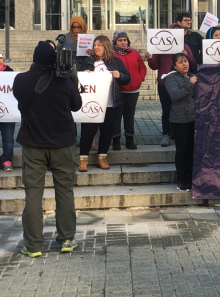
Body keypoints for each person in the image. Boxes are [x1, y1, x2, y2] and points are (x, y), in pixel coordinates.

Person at [13, 41, 82, 256]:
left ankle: (33, 245)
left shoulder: (21, 80)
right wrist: (72, 76)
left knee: (33, 193)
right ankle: (67, 239)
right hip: (63, 145)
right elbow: (76, 105)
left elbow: (19, 98)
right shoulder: (64, 82)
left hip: (33, 145)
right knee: (64, 192)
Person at [78, 35, 130, 172]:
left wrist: (120, 76)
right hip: (91, 104)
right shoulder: (88, 61)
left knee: (107, 131)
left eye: (99, 45)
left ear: (106, 46)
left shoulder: (116, 62)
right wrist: (83, 74)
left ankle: (102, 156)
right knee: (88, 131)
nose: (96, 47)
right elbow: (77, 79)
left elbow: (127, 78)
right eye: (95, 45)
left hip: (110, 103)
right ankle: (83, 159)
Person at [146, 23, 197, 147]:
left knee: (182, 108)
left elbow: (193, 64)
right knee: (166, 109)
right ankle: (166, 134)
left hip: (182, 84)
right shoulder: (160, 47)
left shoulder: (185, 47)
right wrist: (149, 58)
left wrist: (186, 55)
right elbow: (154, 66)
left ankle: (177, 132)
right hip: (165, 84)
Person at [162, 52, 196, 192]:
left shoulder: (193, 76)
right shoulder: (171, 78)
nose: (185, 64)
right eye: (181, 62)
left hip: (194, 119)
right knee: (182, 150)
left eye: (186, 61)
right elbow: (175, 96)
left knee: (192, 151)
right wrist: (189, 84)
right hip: (179, 120)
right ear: (175, 65)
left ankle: (190, 179)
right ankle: (181, 180)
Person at [112, 31, 146, 151]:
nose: (123, 42)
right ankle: (116, 140)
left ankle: (129, 140)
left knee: (129, 116)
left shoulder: (134, 52)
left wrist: (140, 78)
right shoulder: (112, 54)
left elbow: (142, 67)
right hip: (118, 91)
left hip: (133, 91)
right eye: (120, 40)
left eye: (125, 40)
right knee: (116, 117)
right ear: (115, 42)